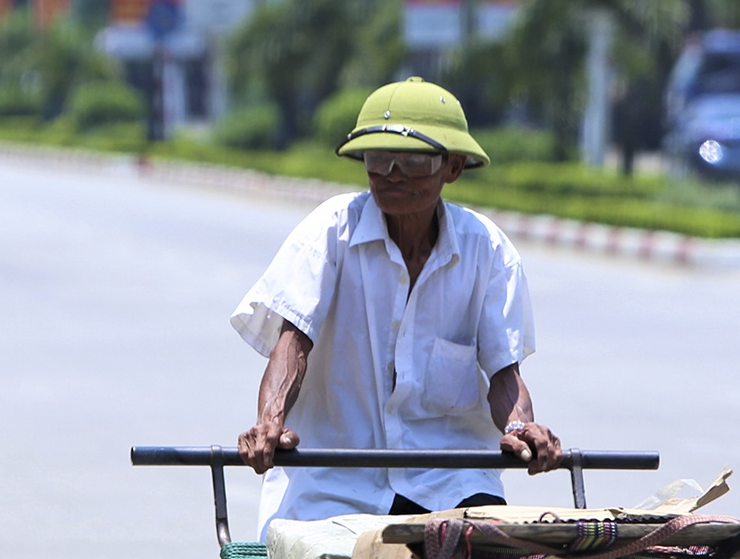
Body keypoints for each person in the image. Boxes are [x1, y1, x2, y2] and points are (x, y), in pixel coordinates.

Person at [233, 75, 562, 530]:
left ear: (453, 167)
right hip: (333, 487)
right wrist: (269, 422)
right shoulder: (330, 232)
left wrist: (520, 429)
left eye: (412, 160)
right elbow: (293, 342)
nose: (392, 175)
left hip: (450, 483)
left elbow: (504, 373)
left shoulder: (488, 250)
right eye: (378, 159)